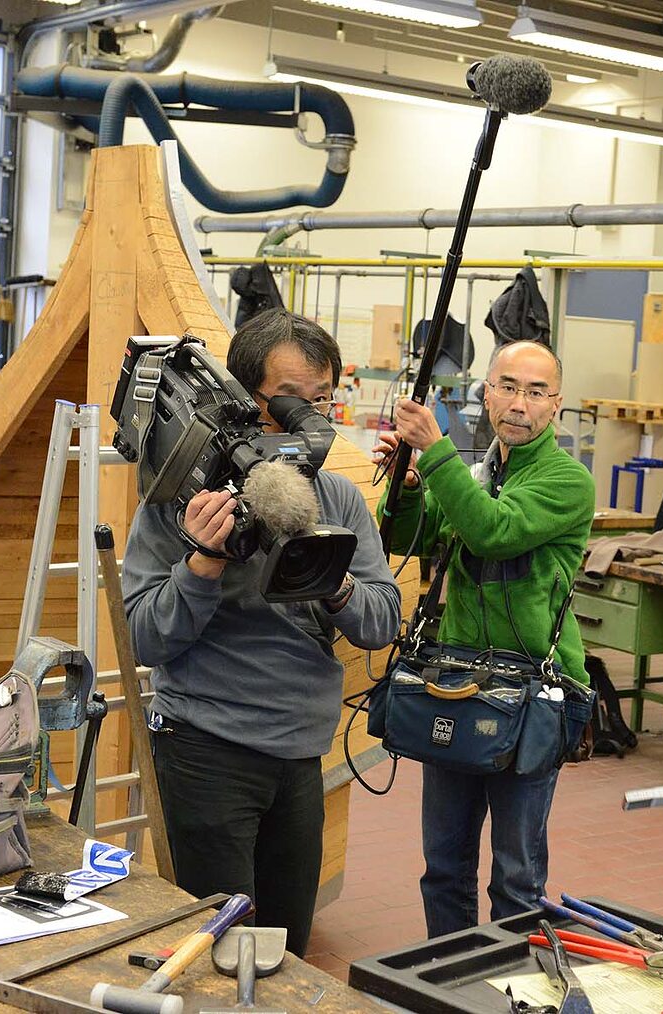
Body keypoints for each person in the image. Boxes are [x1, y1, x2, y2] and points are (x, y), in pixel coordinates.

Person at [122, 309, 402, 959]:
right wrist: (202, 563)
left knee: (284, 951)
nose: (311, 421)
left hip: (301, 759)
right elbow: (143, 639)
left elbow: (382, 620)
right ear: (242, 398)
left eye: (322, 401)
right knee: (216, 956)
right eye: (288, 401)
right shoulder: (179, 500)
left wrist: (332, 582)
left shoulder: (337, 498)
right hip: (205, 753)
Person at [374, 339, 595, 938]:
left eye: (536, 391)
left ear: (556, 405)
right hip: (459, 683)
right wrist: (411, 481)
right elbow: (408, 538)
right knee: (443, 866)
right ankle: (445, 985)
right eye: (508, 387)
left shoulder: (568, 482)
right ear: (487, 393)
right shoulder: (474, 474)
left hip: (531, 693)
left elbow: (493, 532)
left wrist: (437, 452)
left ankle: (511, 992)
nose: (519, 403)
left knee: (516, 875)